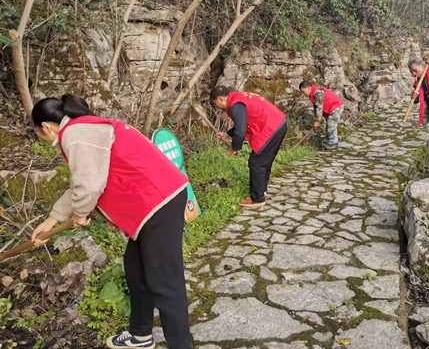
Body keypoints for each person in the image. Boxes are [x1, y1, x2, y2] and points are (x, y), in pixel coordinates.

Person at [30, 95, 191, 349]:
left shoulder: (76, 134)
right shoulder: (84, 128)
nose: (42, 138)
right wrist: (52, 221)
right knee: (136, 270)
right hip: (152, 203)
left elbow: (90, 186)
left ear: (46, 127)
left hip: (158, 202)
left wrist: (81, 212)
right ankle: (140, 335)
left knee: (164, 281)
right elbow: (82, 181)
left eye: (39, 133)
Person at [210, 86, 287, 209]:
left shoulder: (234, 105)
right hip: (278, 124)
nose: (218, 106)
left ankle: (257, 199)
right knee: (264, 161)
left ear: (220, 99)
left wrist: (235, 148)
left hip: (270, 128)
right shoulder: (238, 97)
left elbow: (240, 131)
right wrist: (227, 134)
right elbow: (243, 122)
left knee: (256, 163)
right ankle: (261, 189)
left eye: (216, 103)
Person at [298, 81, 344, 150]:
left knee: (331, 125)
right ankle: (329, 141)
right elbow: (316, 107)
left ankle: (333, 144)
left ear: (308, 88)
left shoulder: (318, 93)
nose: (304, 94)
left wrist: (318, 121)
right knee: (329, 125)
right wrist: (318, 118)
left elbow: (319, 107)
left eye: (304, 92)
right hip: (331, 108)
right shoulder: (312, 94)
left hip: (336, 107)